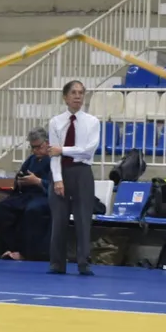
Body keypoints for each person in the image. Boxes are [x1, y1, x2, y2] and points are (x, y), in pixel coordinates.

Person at [47, 80, 100, 276]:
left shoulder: (92, 122)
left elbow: (87, 151)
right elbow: (53, 153)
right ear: (65, 97)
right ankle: (56, 263)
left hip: (82, 173)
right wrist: (58, 179)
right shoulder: (55, 122)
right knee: (58, 220)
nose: (77, 96)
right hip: (61, 171)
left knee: (83, 219)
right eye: (74, 93)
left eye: (80, 93)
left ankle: (83, 263)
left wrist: (63, 149)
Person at [0, 127, 51, 261]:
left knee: (33, 210)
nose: (35, 151)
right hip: (27, 194)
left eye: (38, 147)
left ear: (47, 143)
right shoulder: (31, 159)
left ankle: (27, 252)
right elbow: (21, 175)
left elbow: (58, 184)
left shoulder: (55, 160)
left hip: (44, 196)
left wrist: (38, 181)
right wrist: (20, 181)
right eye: (33, 147)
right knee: (1, 208)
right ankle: (8, 249)